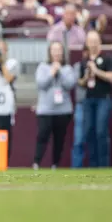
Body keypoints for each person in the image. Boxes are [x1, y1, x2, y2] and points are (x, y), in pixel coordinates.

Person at [33, 41, 76, 169]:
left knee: (59, 139)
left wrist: (60, 72)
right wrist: (51, 73)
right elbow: (41, 84)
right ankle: (36, 163)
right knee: (42, 136)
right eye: (54, 50)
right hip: (46, 110)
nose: (57, 53)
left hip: (63, 110)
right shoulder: (43, 67)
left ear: (62, 52)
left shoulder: (67, 68)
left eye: (59, 50)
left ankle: (55, 164)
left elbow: (69, 84)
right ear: (49, 52)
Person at [78, 31, 112, 167]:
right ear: (87, 43)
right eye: (90, 41)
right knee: (89, 131)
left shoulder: (107, 58)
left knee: (101, 131)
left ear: (100, 42)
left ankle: (104, 164)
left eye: (95, 40)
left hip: (103, 99)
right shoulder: (84, 61)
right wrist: (86, 76)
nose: (93, 44)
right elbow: (81, 83)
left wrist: (97, 71)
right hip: (89, 99)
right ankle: (93, 165)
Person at [71, 44, 89, 168]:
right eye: (86, 51)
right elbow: (80, 82)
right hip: (81, 104)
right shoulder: (78, 66)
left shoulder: (101, 63)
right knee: (78, 139)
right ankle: (76, 167)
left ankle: (98, 167)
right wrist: (88, 74)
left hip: (96, 102)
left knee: (96, 136)